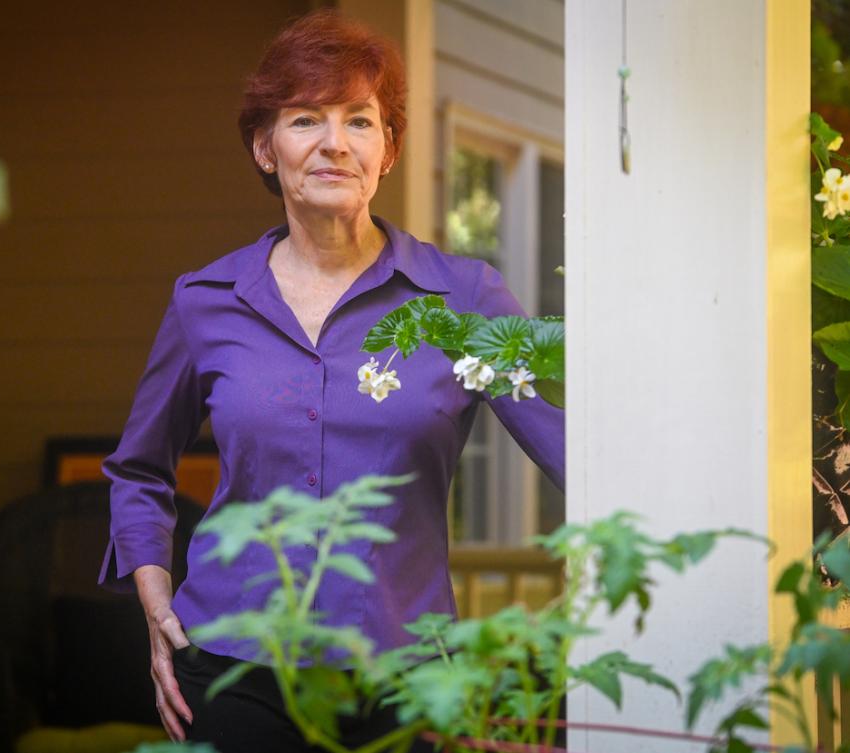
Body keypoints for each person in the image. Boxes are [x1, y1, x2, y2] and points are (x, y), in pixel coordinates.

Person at [98, 9, 564, 752]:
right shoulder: (205, 301)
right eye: (305, 118)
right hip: (232, 668)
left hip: (404, 676)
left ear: (389, 150)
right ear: (264, 147)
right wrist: (155, 605)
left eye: (360, 120)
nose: (334, 143)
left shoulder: (464, 299)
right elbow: (138, 469)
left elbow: (574, 449)